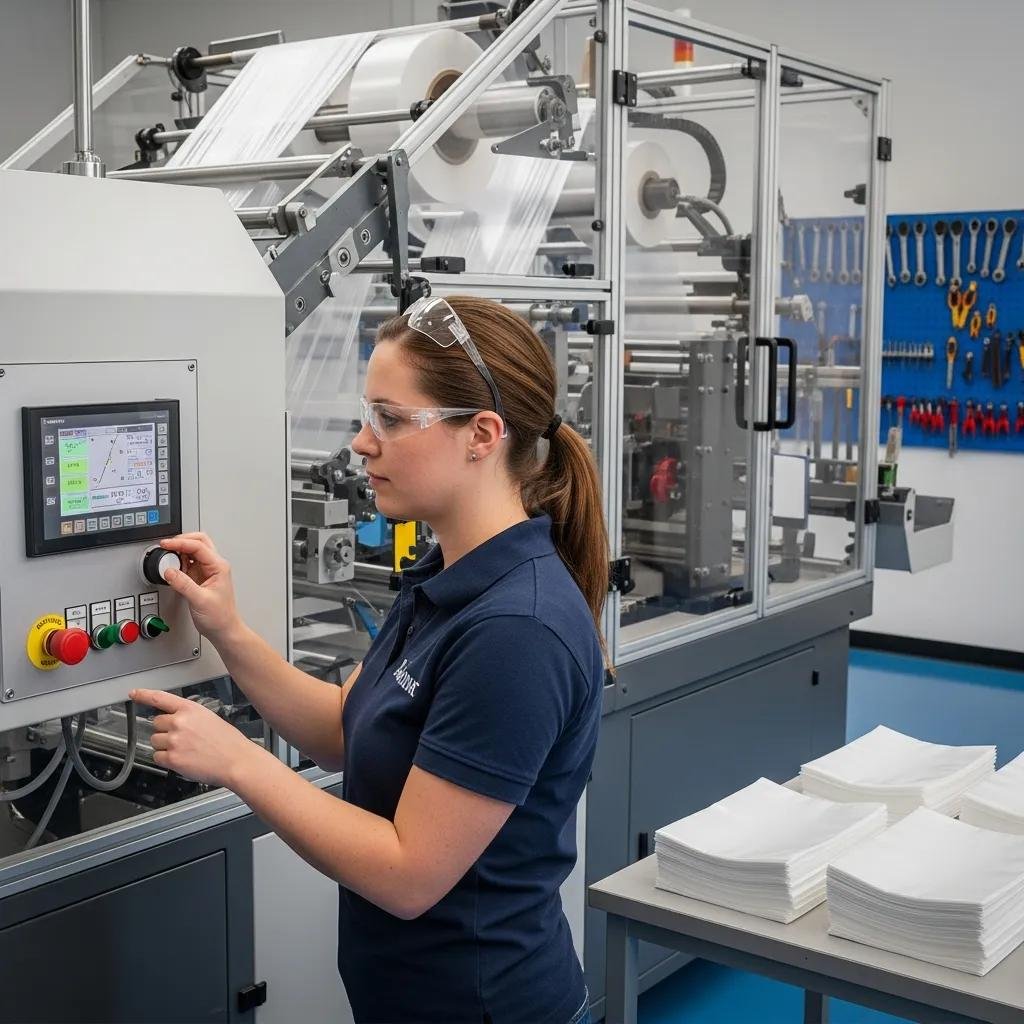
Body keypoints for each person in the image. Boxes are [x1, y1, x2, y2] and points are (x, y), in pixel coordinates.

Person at [130, 295, 609, 1024]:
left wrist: (239, 762)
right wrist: (227, 630)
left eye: (390, 417)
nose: (360, 442)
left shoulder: (519, 630)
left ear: (481, 435)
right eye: (367, 415)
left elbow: (408, 872)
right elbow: (343, 729)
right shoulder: (444, 575)